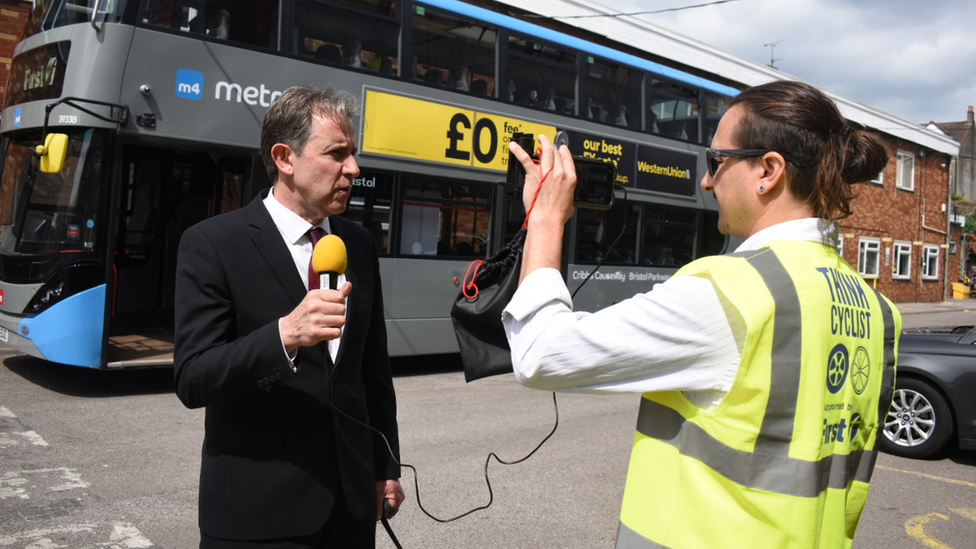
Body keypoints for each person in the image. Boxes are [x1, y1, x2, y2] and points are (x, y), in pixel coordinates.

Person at [503, 80, 901, 548]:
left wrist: (546, 218)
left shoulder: (729, 292)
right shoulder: (876, 309)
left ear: (767, 170)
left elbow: (541, 354)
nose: (706, 180)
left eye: (716, 161)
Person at [174, 84, 404, 548]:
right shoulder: (214, 243)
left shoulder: (357, 243)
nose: (353, 169)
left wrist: (385, 468)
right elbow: (194, 378)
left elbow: (372, 374)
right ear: (285, 158)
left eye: (353, 153)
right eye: (336, 153)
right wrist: (285, 335)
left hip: (351, 507)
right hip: (259, 514)